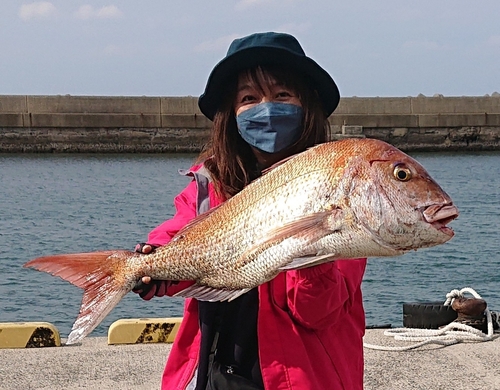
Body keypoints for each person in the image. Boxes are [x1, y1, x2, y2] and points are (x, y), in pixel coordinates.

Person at [133, 32, 367, 390]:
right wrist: (153, 265)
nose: (267, 108)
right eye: (249, 98)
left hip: (304, 378)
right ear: (231, 113)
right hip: (215, 374)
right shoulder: (208, 185)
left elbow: (317, 311)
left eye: (283, 95)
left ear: (307, 106)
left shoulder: (337, 186)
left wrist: (315, 243)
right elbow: (180, 236)